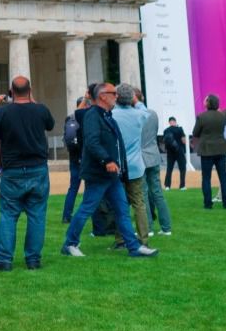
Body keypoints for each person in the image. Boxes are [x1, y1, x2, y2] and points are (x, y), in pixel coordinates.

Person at [61, 83, 158, 258]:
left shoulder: (107, 115)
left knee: (122, 210)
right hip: (99, 174)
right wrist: (107, 160)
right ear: (103, 96)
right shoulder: (93, 115)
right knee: (87, 208)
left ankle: (133, 246)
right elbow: (92, 142)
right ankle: (70, 243)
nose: (117, 95)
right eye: (113, 93)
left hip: (112, 175)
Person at [0, 76, 54, 271]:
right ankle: (33, 259)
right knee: (36, 215)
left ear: (11, 91)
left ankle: (4, 259)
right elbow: (49, 124)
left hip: (13, 169)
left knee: (8, 215)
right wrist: (32, 99)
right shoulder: (40, 110)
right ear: (30, 90)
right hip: (37, 167)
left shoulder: (2, 113)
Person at [111, 84, 150, 247]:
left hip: (117, 165)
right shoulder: (140, 114)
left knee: (120, 204)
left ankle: (120, 239)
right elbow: (144, 108)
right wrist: (135, 99)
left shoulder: (111, 114)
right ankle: (143, 239)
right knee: (139, 203)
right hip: (135, 165)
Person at [135, 89, 172, 236]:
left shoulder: (135, 115)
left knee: (143, 193)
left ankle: (148, 228)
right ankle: (166, 227)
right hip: (153, 155)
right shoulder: (153, 113)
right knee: (157, 192)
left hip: (141, 157)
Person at [191, 94, 226, 209]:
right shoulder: (222, 116)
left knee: (206, 178)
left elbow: (195, 133)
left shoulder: (202, 116)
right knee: (223, 177)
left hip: (207, 150)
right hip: (221, 148)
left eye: (205, 99)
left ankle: (208, 204)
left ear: (208, 102)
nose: (204, 101)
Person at [62, 93, 93, 223]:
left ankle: (66, 215)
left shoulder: (69, 119)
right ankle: (85, 215)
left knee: (73, 188)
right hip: (85, 157)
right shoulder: (87, 118)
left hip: (73, 158)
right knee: (89, 187)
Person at [162, 116, 187, 190]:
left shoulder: (166, 130)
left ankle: (167, 186)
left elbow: (164, 142)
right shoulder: (180, 129)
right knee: (182, 168)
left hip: (170, 153)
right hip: (179, 151)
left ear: (169, 122)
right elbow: (184, 141)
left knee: (169, 169)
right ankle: (182, 186)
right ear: (175, 121)